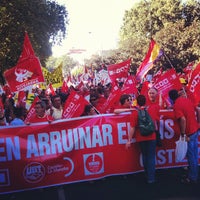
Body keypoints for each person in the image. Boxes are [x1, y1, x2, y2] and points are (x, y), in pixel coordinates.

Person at [169, 89, 199, 184]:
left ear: (171, 98)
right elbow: (198, 109)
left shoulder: (177, 105)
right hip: (194, 130)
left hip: (188, 133)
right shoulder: (186, 100)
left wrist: (183, 134)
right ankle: (193, 173)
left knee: (191, 156)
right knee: (194, 155)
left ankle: (192, 177)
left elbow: (182, 119)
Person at [126, 95, 157, 184]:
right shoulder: (152, 109)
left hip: (141, 138)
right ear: (145, 101)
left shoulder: (134, 113)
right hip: (152, 137)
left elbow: (132, 128)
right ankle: (151, 178)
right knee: (151, 157)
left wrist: (129, 140)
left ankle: (147, 174)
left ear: (137, 102)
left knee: (144, 155)